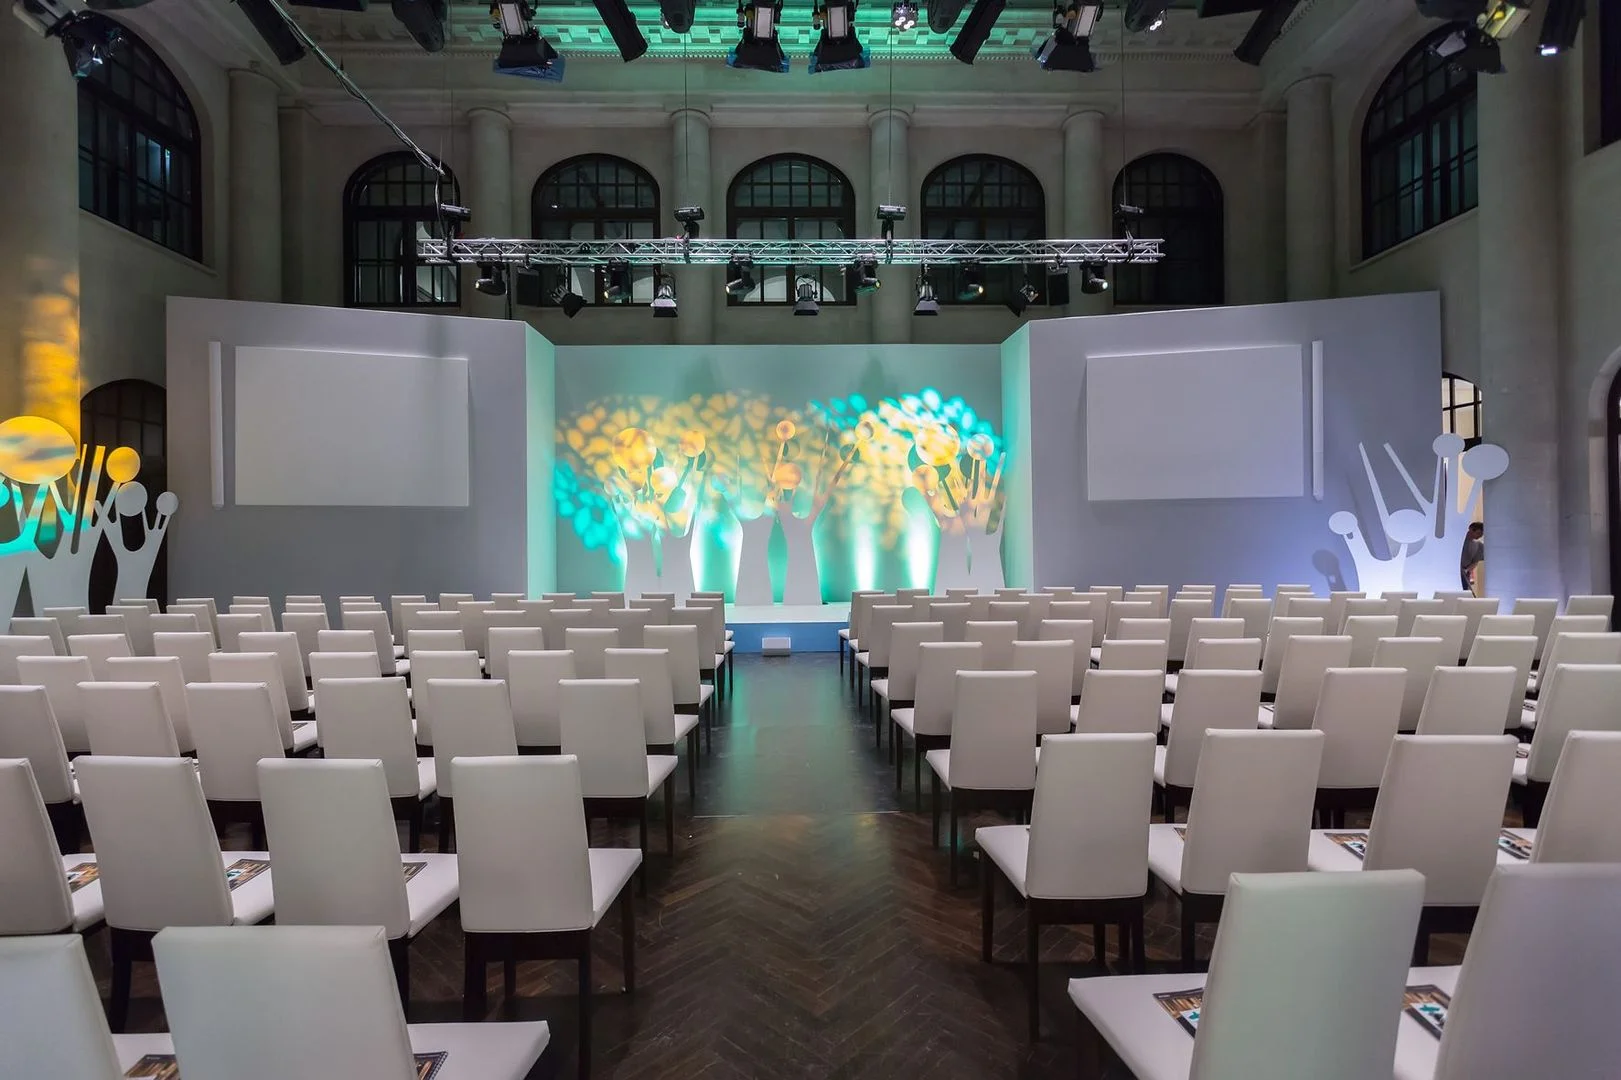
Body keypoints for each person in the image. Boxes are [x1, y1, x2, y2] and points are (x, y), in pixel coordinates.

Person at [1460, 521, 1485, 592]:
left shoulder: (1478, 545)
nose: (1480, 536)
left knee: (1464, 592)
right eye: (1478, 533)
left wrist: (1467, 570)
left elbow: (1475, 561)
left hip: (1465, 574)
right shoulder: (1458, 541)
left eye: (1481, 534)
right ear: (1471, 529)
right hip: (1452, 571)